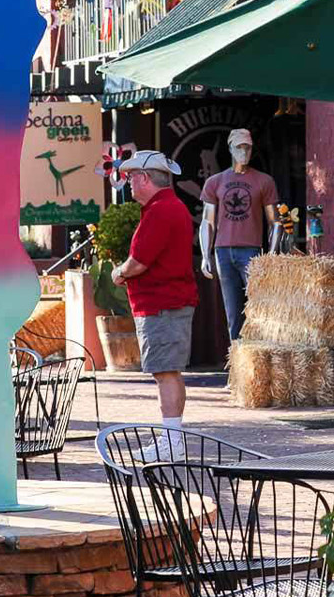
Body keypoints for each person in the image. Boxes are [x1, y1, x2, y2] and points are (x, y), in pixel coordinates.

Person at [111, 151, 198, 458]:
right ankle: (172, 439)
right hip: (167, 302)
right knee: (168, 371)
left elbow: (139, 262)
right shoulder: (168, 207)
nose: (128, 183)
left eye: (131, 177)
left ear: (145, 178)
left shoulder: (161, 210)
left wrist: (119, 272)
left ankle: (172, 443)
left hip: (163, 304)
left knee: (165, 372)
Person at [199, 129, 278, 341]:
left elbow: (275, 223)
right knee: (232, 312)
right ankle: (237, 360)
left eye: (248, 147)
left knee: (258, 307)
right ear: (230, 148)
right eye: (239, 147)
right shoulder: (215, 182)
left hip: (251, 250)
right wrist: (205, 255)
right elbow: (208, 221)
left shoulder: (264, 181)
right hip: (223, 251)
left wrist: (270, 255)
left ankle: (258, 355)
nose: (244, 151)